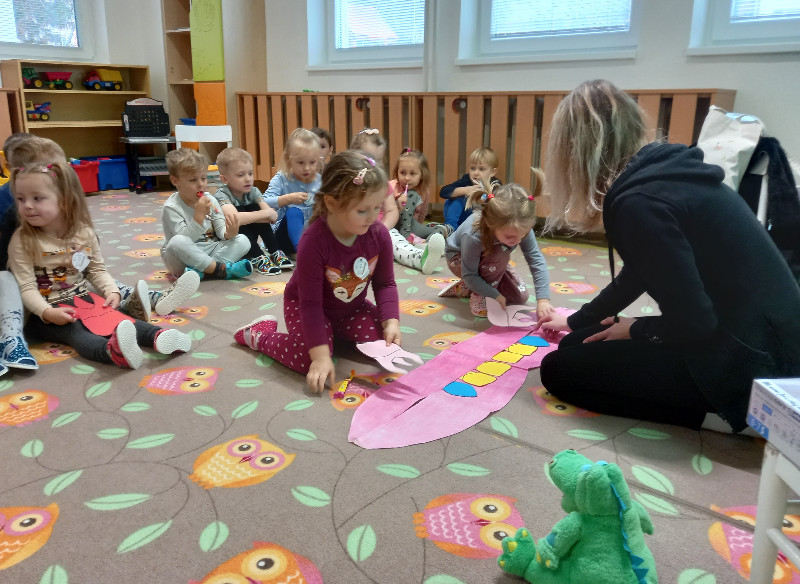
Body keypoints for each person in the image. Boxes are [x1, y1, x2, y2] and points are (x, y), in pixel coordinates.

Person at [535, 79, 800, 433]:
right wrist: (578, 320)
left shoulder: (638, 203)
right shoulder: (660, 174)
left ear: (575, 151)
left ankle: (729, 415)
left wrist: (638, 329)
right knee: (575, 342)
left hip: (750, 366)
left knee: (558, 370)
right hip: (767, 343)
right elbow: (641, 271)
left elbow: (696, 322)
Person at [234, 150, 400, 394]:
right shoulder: (314, 241)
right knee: (306, 359)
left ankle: (333, 334)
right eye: (362, 210)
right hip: (307, 306)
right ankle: (258, 335)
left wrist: (391, 321)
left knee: (384, 337)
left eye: (377, 207)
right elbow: (310, 304)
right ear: (331, 203)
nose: (373, 217)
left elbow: (385, 284)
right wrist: (320, 356)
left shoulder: (379, 234)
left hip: (350, 308)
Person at [7, 161, 193, 370]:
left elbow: (95, 269)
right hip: (43, 312)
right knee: (76, 332)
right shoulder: (22, 241)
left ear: (64, 200)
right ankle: (111, 352)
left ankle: (159, 336)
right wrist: (47, 312)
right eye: (20, 199)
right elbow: (26, 287)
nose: (27, 205)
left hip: (82, 298)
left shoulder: (83, 233)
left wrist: (111, 290)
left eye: (37, 198)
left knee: (117, 318)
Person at [442, 176, 554, 319]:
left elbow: (536, 259)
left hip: (492, 259)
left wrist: (543, 300)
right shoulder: (474, 234)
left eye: (523, 234)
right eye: (509, 236)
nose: (518, 240)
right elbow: (469, 273)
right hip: (458, 259)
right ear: (491, 225)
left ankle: (467, 286)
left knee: (520, 297)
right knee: (500, 255)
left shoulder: (520, 225)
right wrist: (493, 295)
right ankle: (478, 294)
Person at [161, 148, 252, 280]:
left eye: (203, 178)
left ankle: (205, 271)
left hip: (210, 250)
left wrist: (229, 233)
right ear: (175, 181)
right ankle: (218, 269)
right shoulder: (171, 207)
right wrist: (198, 217)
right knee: (177, 241)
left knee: (243, 240)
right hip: (182, 258)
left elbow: (221, 232)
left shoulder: (211, 200)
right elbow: (184, 240)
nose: (200, 184)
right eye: (193, 180)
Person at [214, 147, 292, 276]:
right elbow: (235, 219)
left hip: (250, 238)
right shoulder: (222, 194)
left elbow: (273, 216)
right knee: (242, 212)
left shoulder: (253, 191)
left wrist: (261, 214)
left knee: (253, 208)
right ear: (225, 179)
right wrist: (264, 214)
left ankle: (275, 251)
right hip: (232, 242)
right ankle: (258, 256)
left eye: (250, 173)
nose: (248, 179)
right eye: (241, 175)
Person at [263, 128, 321, 253]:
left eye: (312, 162)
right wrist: (287, 199)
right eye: (300, 162)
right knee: (294, 212)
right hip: (283, 239)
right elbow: (263, 203)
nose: (307, 168)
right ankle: (303, 252)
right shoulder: (281, 178)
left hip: (312, 237)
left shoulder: (320, 181)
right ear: (288, 159)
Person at [391, 148, 449, 240]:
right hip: (393, 226)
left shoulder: (424, 192)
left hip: (412, 227)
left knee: (439, 231)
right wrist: (397, 204)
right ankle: (406, 237)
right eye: (402, 173)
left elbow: (422, 212)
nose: (407, 178)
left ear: (422, 174)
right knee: (412, 195)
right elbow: (383, 211)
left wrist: (419, 230)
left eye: (412, 173)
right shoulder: (391, 187)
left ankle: (431, 240)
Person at [439, 147, 500, 231]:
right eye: (473, 168)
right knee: (456, 198)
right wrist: (466, 190)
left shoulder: (495, 185)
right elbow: (443, 192)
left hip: (482, 222)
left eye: (481, 169)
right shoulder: (466, 180)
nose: (476, 173)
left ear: (492, 172)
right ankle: (450, 228)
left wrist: (483, 196)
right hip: (462, 219)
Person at [349, 128, 398, 230]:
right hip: (354, 229)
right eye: (368, 159)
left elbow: (391, 210)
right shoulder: (350, 181)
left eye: (378, 160)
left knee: (396, 238)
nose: (373, 164)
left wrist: (383, 229)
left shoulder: (382, 183)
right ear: (353, 157)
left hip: (379, 228)